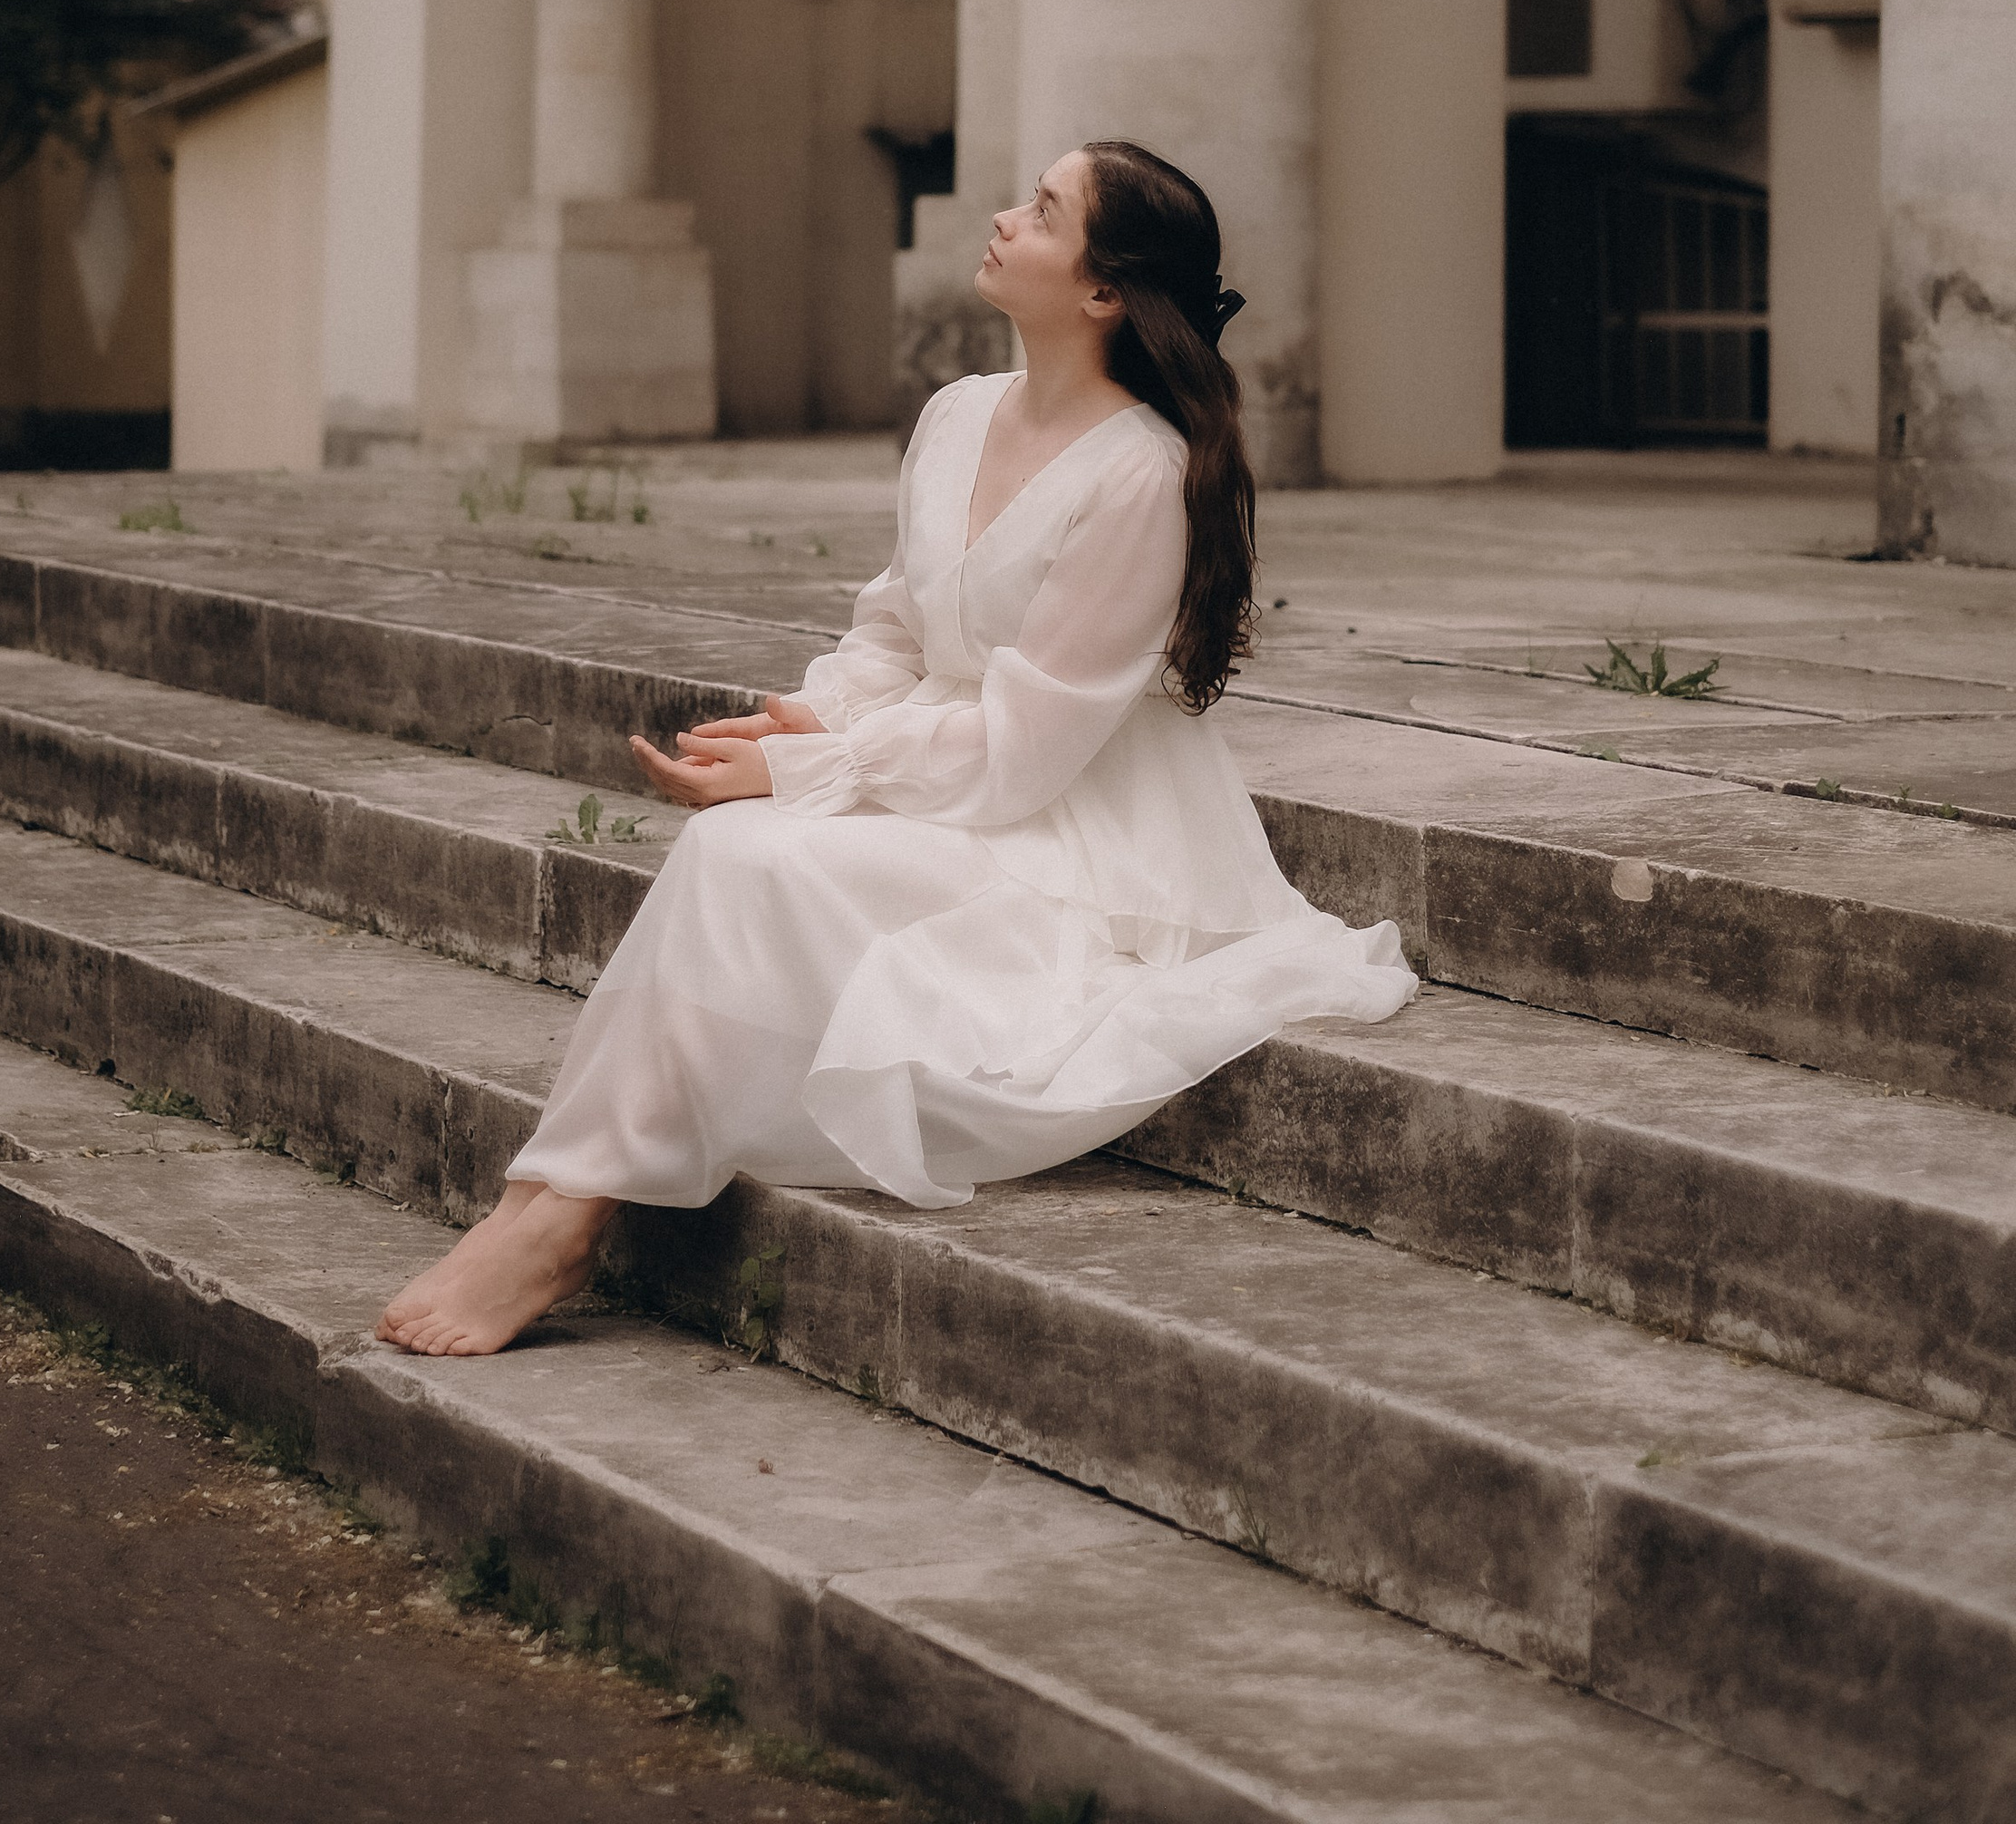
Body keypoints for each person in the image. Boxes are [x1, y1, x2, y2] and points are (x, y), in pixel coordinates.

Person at [375, 138, 1414, 1357]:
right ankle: (553, 1201)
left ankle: (557, 1214)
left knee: (748, 856)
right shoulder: (958, 413)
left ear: (1099, 291)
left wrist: (818, 770)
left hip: (1075, 842)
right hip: (952, 783)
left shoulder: (1144, 477)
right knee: (739, 846)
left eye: (1042, 210)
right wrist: (808, 720)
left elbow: (1030, 752)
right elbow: (892, 630)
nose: (1002, 217)